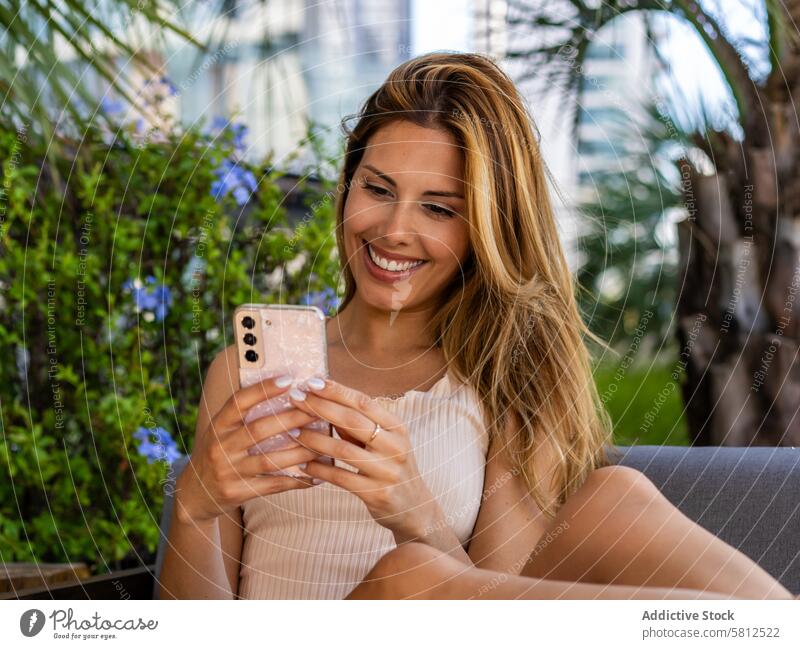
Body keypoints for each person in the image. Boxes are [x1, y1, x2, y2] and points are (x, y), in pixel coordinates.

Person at [159, 52, 794, 600]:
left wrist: (413, 511)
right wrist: (193, 507)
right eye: (378, 189)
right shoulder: (241, 378)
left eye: (438, 208)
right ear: (348, 185)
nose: (395, 229)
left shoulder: (504, 378)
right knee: (409, 576)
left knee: (613, 497)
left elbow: (492, 605)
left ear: (485, 229)